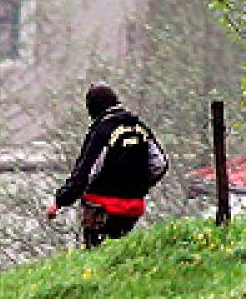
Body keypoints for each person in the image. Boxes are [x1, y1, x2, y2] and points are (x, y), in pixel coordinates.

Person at [47, 83, 168, 248]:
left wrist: (60, 201)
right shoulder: (139, 127)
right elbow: (159, 164)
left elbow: (85, 173)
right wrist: (140, 185)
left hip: (101, 208)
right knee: (121, 250)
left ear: (92, 108)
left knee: (96, 254)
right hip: (133, 207)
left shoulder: (102, 131)